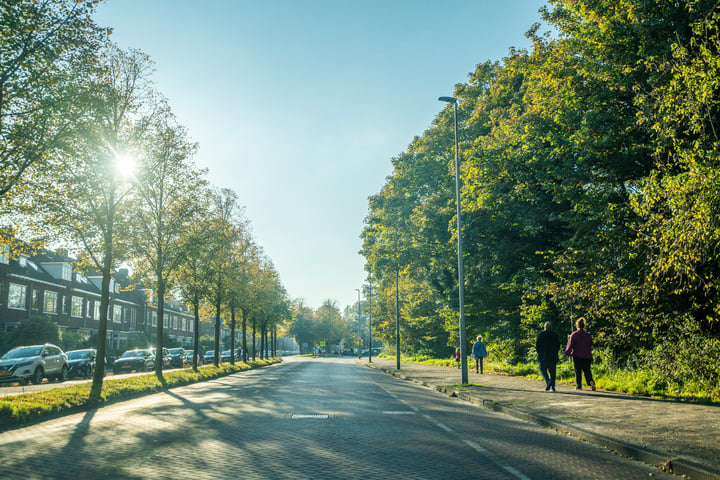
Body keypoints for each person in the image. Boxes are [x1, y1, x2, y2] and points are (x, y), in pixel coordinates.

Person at [565, 317, 595, 390]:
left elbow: (570, 345)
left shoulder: (574, 334)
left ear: (577, 325)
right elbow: (590, 344)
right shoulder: (588, 335)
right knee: (587, 370)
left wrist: (567, 353)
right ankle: (590, 381)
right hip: (587, 355)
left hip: (577, 355)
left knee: (578, 371)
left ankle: (579, 385)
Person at [536, 321, 561, 392]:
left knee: (542, 369)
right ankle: (553, 386)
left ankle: (548, 381)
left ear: (544, 327)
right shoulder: (555, 335)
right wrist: (555, 353)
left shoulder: (541, 334)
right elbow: (558, 345)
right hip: (553, 356)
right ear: (551, 327)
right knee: (552, 371)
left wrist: (540, 353)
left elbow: (537, 346)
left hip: (543, 356)